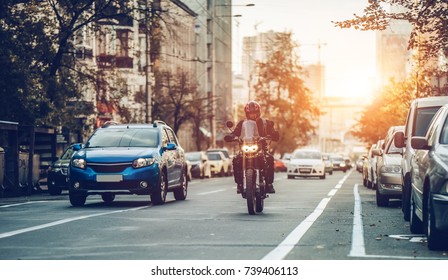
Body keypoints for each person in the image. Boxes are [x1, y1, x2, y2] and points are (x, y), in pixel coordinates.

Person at [226, 101, 279, 194]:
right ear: (247, 114)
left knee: (269, 159)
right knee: (236, 160)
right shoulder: (242, 123)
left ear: (259, 112)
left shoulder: (265, 123)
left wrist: (274, 134)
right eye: (250, 113)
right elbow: (235, 132)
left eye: (255, 113)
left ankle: (269, 184)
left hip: (261, 148)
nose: (253, 115)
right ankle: (239, 184)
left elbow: (272, 131)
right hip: (246, 148)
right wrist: (231, 136)